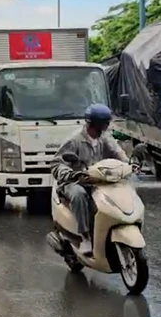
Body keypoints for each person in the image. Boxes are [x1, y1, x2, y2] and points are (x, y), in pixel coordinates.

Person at [50, 104, 128, 256]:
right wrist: (70, 174)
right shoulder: (74, 141)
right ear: (95, 124)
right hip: (74, 181)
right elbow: (56, 163)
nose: (106, 127)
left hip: (97, 179)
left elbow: (117, 152)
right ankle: (85, 236)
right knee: (79, 195)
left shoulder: (103, 138)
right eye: (104, 124)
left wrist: (129, 164)